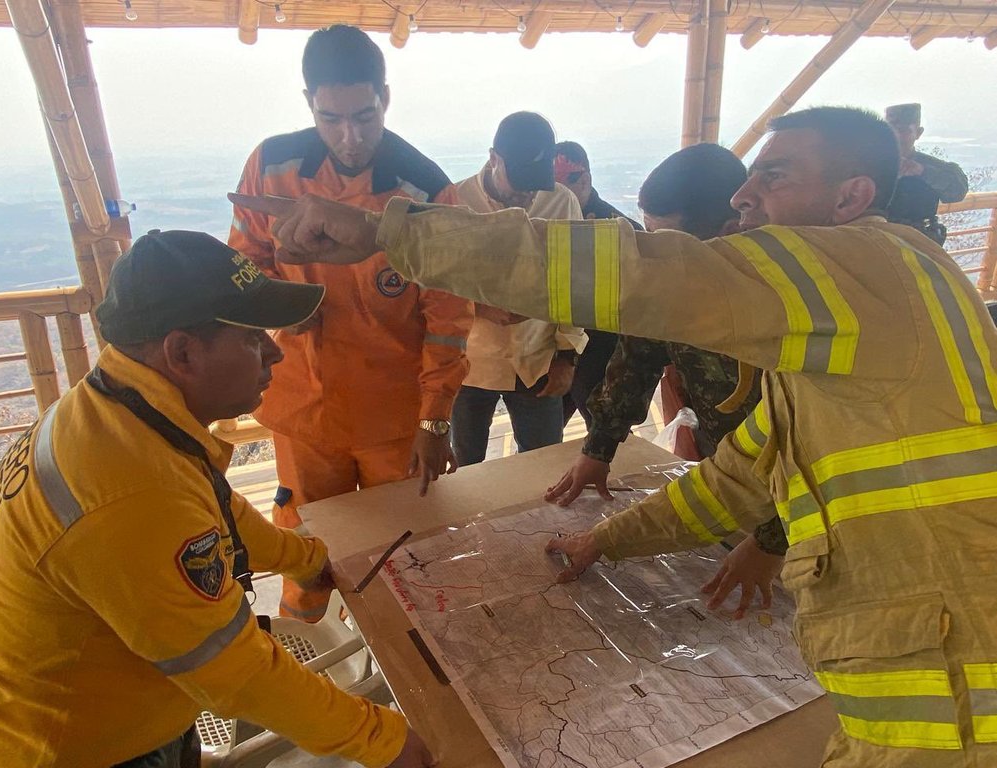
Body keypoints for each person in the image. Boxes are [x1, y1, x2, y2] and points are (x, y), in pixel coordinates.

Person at [232, 105, 997, 766]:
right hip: (913, 662)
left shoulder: (871, 264)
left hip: (953, 678)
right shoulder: (836, 344)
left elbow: (638, 275)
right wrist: (607, 541)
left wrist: (388, 232)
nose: (743, 194)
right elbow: (733, 479)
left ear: (850, 197)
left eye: (774, 176)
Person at [0, 230, 433, 768]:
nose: (274, 352)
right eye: (251, 338)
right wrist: (383, 739)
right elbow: (233, 672)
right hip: (79, 747)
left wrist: (305, 560)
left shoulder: (116, 412)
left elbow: (217, 512)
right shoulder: (132, 493)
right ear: (183, 352)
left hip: (106, 701)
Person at [229, 25, 473, 622]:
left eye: (364, 116)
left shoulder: (425, 192)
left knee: (407, 554)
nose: (349, 136)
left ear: (385, 98)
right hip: (303, 411)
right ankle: (307, 650)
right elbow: (241, 266)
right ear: (309, 102)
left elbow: (448, 321)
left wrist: (436, 419)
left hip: (394, 420)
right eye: (330, 117)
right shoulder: (272, 166)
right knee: (305, 550)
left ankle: (406, 666)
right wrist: (278, 302)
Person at [545, 143, 784, 616]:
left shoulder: (779, 304)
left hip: (802, 511)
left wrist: (773, 543)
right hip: (728, 476)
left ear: (727, 230)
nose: (651, 253)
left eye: (665, 238)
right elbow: (635, 362)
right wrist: (598, 448)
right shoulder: (671, 282)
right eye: (646, 233)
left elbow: (806, 444)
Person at [450, 113, 586, 466]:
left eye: (535, 185)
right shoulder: (456, 201)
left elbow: (574, 282)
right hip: (469, 363)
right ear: (494, 158)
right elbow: (435, 284)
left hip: (538, 359)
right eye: (520, 182)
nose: (527, 194)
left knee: (542, 468)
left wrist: (568, 356)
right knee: (465, 469)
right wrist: (477, 307)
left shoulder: (562, 202)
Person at [552, 140, 642, 427]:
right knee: (548, 428)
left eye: (563, 187)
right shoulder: (550, 221)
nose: (555, 196)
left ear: (586, 179)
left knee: (600, 424)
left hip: (602, 343)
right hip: (559, 342)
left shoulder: (620, 228)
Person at [884, 103, 969, 244]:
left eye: (903, 130)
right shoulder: (869, 165)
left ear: (918, 133)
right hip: (879, 239)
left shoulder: (933, 166)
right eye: (890, 129)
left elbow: (957, 192)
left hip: (921, 241)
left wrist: (923, 172)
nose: (896, 136)